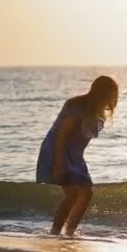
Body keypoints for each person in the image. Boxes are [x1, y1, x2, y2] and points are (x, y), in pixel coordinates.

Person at [36, 75, 119, 236]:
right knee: (74, 193)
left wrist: (77, 161)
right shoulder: (78, 106)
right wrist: (59, 164)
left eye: (114, 95)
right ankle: (56, 232)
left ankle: (68, 232)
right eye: (110, 94)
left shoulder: (98, 112)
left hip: (74, 155)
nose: (113, 98)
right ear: (100, 92)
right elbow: (61, 135)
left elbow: (82, 140)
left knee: (86, 194)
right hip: (57, 149)